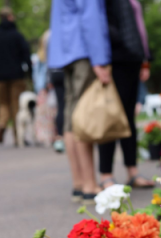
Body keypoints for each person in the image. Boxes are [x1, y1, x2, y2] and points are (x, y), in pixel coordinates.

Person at [48, 0, 112, 204]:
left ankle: (79, 184)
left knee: (71, 116)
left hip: (64, 50)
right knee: (84, 115)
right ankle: (90, 186)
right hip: (83, 49)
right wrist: (99, 59)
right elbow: (90, 16)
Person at [98, 0, 154, 189]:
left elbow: (139, 27)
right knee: (111, 117)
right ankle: (107, 175)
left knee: (129, 118)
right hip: (116, 59)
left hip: (133, 60)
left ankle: (132, 172)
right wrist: (122, 43)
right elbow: (101, 22)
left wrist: (145, 58)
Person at [0, 7, 31, 144]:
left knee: (3, 105)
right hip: (16, 76)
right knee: (16, 106)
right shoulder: (17, 35)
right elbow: (26, 55)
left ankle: (1, 126)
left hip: (0, 78)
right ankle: (18, 138)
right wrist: (29, 72)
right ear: (10, 17)